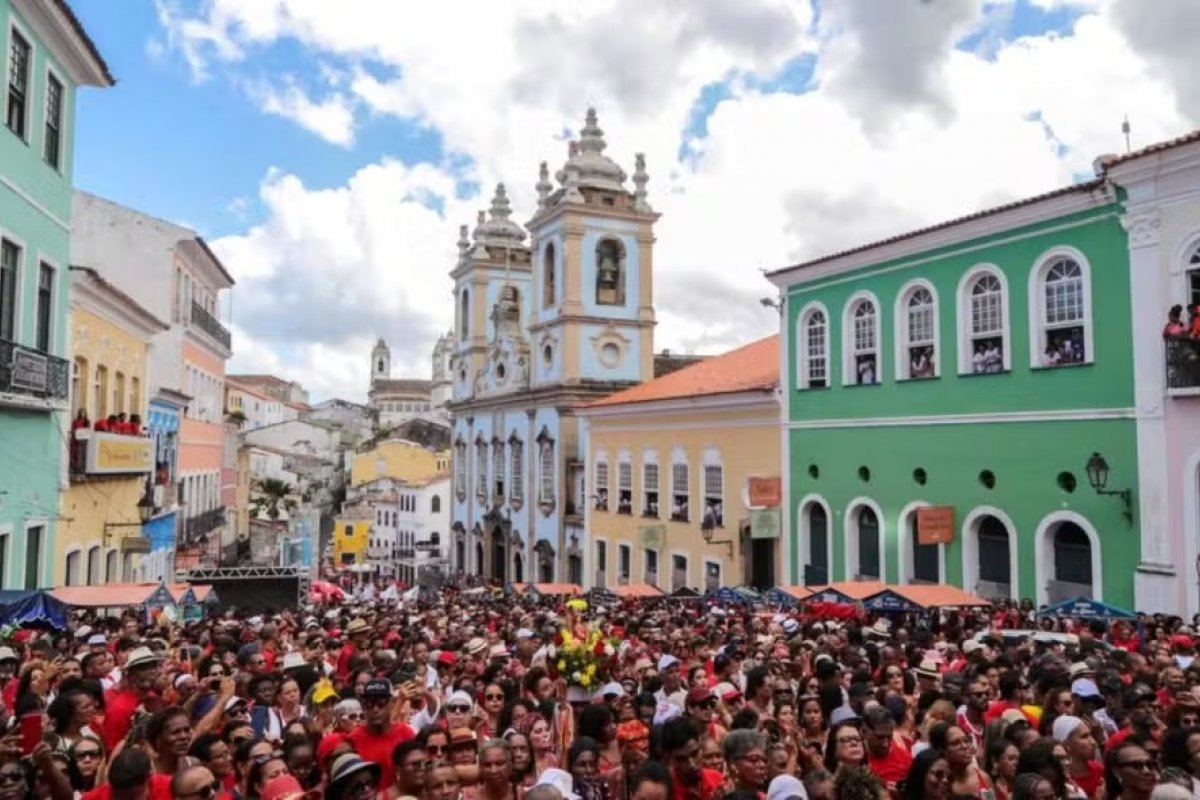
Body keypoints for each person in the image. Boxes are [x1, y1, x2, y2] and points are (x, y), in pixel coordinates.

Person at [345, 679, 414, 790]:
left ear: (391, 703)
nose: (375, 709)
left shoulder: (406, 734)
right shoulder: (353, 739)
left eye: (381, 702)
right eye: (369, 703)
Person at [659, 718, 723, 800]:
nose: (692, 765)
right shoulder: (664, 793)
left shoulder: (718, 781)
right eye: (682, 759)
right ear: (668, 758)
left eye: (694, 754)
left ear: (700, 745)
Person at [862, 705, 910, 791]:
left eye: (889, 737)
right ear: (864, 731)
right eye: (880, 738)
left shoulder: (905, 759)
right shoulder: (854, 759)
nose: (885, 744)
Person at [722, 729, 767, 794]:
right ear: (733, 764)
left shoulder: (763, 796)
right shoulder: (721, 795)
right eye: (754, 759)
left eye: (764, 760)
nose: (762, 765)